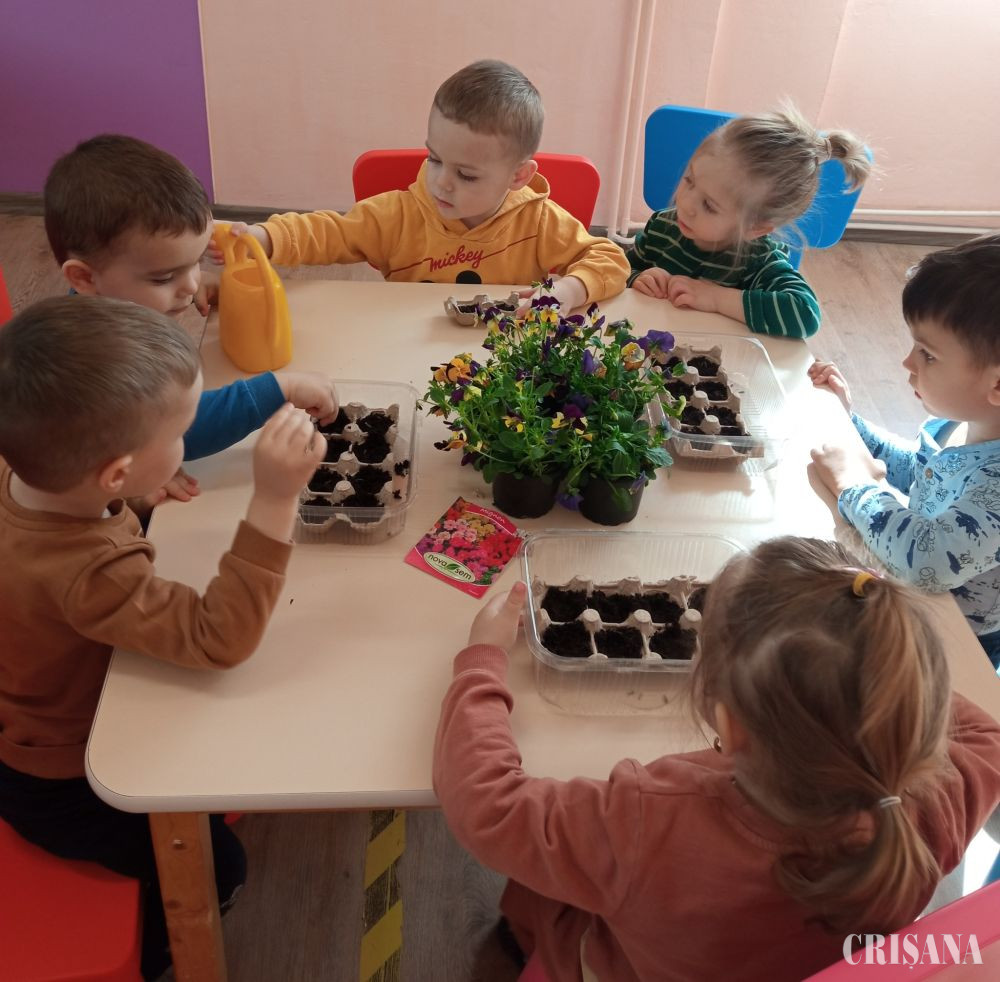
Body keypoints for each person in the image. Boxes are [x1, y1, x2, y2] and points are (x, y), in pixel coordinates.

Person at [433, 537, 1000, 981]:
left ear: (728, 724)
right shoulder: (928, 808)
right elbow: (988, 738)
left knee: (538, 898)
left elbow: (488, 805)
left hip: (623, 969)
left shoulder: (646, 821)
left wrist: (481, 660)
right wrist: (878, 668)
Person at [0, 296, 325, 980]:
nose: (187, 445)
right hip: (62, 780)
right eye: (179, 436)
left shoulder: (28, 479)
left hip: (37, 711)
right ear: (115, 471)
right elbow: (217, 638)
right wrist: (274, 499)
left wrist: (132, 500)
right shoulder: (89, 573)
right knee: (220, 865)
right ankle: (153, 961)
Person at [44, 134, 338, 505]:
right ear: (84, 278)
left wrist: (183, 278)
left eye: (195, 263)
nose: (191, 286)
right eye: (164, 277)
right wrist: (278, 390)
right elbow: (181, 429)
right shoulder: (99, 357)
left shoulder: (113, 303)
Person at [213, 60, 630, 312]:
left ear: (518, 176)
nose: (441, 182)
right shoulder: (400, 214)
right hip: (408, 356)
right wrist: (264, 237)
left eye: (466, 175)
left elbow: (610, 258)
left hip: (504, 362)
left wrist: (569, 290)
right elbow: (330, 232)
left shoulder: (538, 221)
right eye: (434, 158)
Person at [810, 233, 1000, 668]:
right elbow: (919, 471)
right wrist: (851, 421)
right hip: (915, 605)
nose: (907, 363)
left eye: (928, 355)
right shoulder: (962, 423)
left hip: (955, 644)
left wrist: (854, 485)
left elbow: (928, 557)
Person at [628, 106, 870, 338]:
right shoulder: (662, 227)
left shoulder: (757, 259)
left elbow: (805, 314)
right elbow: (618, 268)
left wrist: (715, 298)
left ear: (756, 227)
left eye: (709, 205)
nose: (686, 204)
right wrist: (636, 278)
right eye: (689, 180)